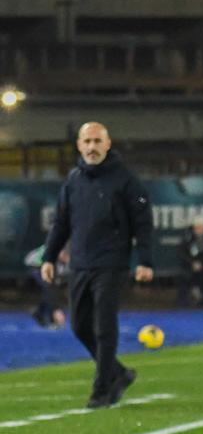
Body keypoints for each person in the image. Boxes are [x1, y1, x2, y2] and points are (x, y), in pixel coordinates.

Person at [42, 121, 154, 408]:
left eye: (97, 141)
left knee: (104, 325)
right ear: (79, 145)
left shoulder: (125, 179)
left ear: (108, 144)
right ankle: (118, 373)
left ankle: (102, 389)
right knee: (80, 326)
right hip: (80, 263)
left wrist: (144, 260)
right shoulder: (73, 181)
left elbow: (143, 222)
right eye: (87, 141)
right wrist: (49, 257)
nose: (92, 147)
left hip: (112, 263)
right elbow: (61, 223)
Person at [25, 243, 68, 329]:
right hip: (36, 265)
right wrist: (57, 309)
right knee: (49, 289)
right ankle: (51, 319)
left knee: (51, 290)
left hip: (47, 264)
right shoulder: (54, 250)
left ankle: (38, 313)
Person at [177, 217, 203, 307]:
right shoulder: (188, 238)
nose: (198, 230)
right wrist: (192, 263)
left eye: (201, 227)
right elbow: (181, 252)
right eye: (196, 227)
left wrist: (202, 264)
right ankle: (183, 304)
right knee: (185, 276)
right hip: (190, 266)